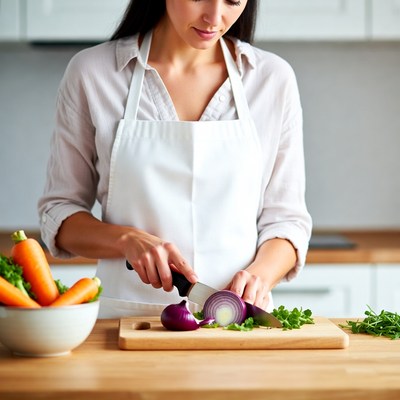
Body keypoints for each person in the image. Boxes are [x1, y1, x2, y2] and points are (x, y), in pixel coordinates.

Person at [38, 0, 312, 318]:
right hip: (125, 322)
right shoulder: (93, 73)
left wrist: (259, 277)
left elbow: (287, 221)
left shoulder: (271, 79)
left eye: (233, 1)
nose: (214, 18)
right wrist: (126, 240)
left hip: (236, 326)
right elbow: (59, 214)